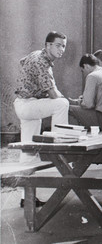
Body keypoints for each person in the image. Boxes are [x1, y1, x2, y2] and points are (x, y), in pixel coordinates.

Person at [13, 31, 70, 208]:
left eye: (64, 46)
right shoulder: (41, 61)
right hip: (27, 105)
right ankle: (61, 146)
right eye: (58, 45)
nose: (62, 49)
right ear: (47, 45)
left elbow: (23, 61)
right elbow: (53, 94)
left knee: (28, 153)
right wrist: (70, 101)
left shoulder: (37, 55)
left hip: (27, 105)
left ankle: (26, 197)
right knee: (62, 104)